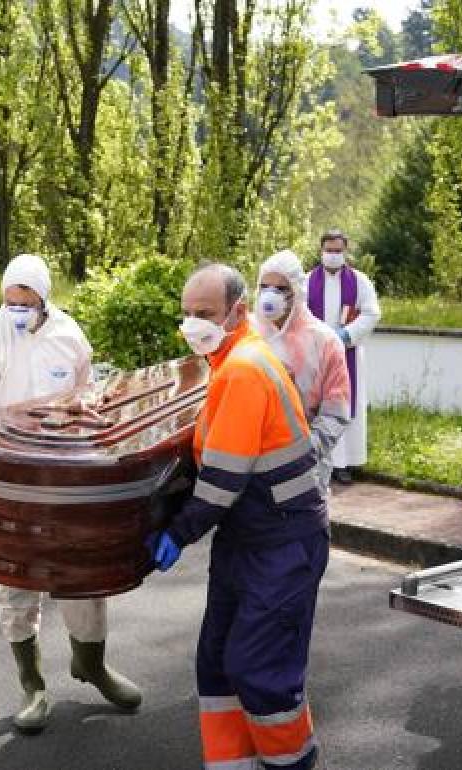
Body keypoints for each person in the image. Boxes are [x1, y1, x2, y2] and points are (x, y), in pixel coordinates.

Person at [151, 263, 328, 770]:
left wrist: (176, 533)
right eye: (186, 313)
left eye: (203, 313)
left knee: (259, 669)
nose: (192, 324)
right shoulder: (228, 361)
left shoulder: (245, 369)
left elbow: (223, 480)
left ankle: (292, 762)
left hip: (282, 542)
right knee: (218, 663)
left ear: (237, 312)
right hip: (247, 538)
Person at [0, 253, 141, 733]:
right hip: (11, 487)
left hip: (65, 485)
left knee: (84, 579)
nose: (17, 309)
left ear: (44, 299)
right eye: (9, 301)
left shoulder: (68, 335)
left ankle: (92, 665)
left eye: (26, 301)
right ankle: (33, 684)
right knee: (15, 587)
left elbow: (86, 396)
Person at [252, 249, 352, 491]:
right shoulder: (247, 333)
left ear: (296, 292)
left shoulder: (325, 342)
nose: (270, 295)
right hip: (250, 468)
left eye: (281, 289)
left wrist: (304, 454)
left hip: (304, 472)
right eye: (264, 286)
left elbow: (335, 413)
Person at [305, 229, 380, 484]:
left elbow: (372, 313)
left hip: (347, 353)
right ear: (321, 251)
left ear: (345, 252)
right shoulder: (306, 282)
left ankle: (344, 463)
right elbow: (299, 315)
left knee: (344, 404)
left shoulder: (360, 281)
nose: (333, 255)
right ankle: (315, 457)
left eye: (338, 251)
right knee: (317, 405)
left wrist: (345, 335)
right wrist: (318, 338)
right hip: (315, 355)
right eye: (329, 250)